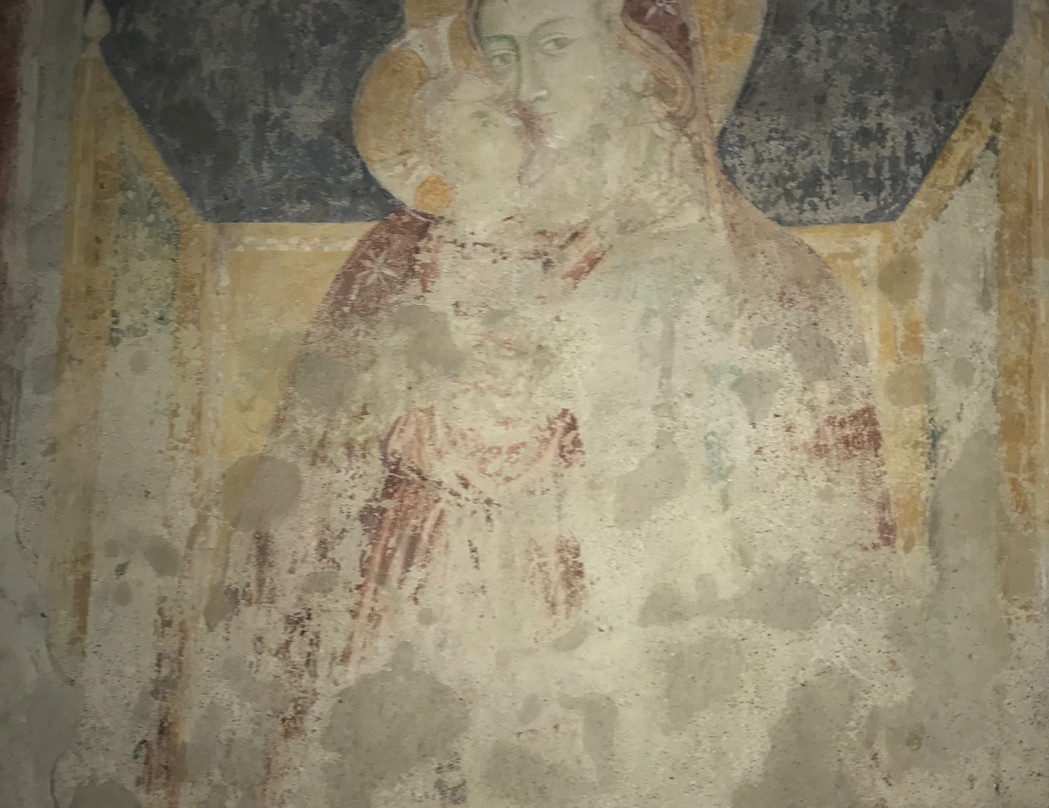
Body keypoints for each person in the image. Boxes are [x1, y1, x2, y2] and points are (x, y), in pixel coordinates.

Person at [210, 0, 912, 804]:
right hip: (438, 613)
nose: (525, 86)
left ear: (638, 62)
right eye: (501, 53)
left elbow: (812, 536)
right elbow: (310, 494)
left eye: (554, 45)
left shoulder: (753, 271)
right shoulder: (405, 255)